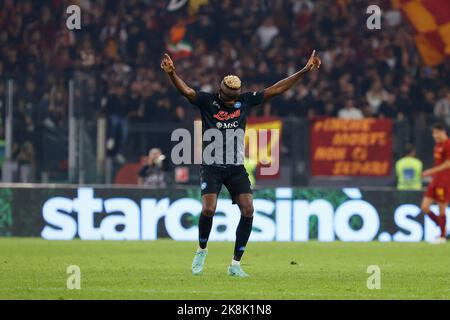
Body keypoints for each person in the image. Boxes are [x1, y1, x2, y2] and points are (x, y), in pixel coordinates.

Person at [161, 51, 321, 277]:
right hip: (212, 165)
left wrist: (304, 71)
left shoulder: (244, 101)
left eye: (234, 98)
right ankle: (201, 250)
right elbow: (186, 91)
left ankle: (235, 265)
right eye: (229, 98)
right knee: (209, 208)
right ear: (221, 91)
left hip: (235, 167)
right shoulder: (208, 101)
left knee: (248, 210)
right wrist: (172, 74)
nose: (232, 102)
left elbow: (276, 89)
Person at [421, 123, 450, 244]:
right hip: (435, 180)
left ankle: (442, 236)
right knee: (425, 207)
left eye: (437, 133)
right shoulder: (437, 145)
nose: (435, 136)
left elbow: (448, 164)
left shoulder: (448, 144)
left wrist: (430, 171)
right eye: (433, 133)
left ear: (443, 132)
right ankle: (443, 228)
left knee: (441, 208)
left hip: (444, 180)